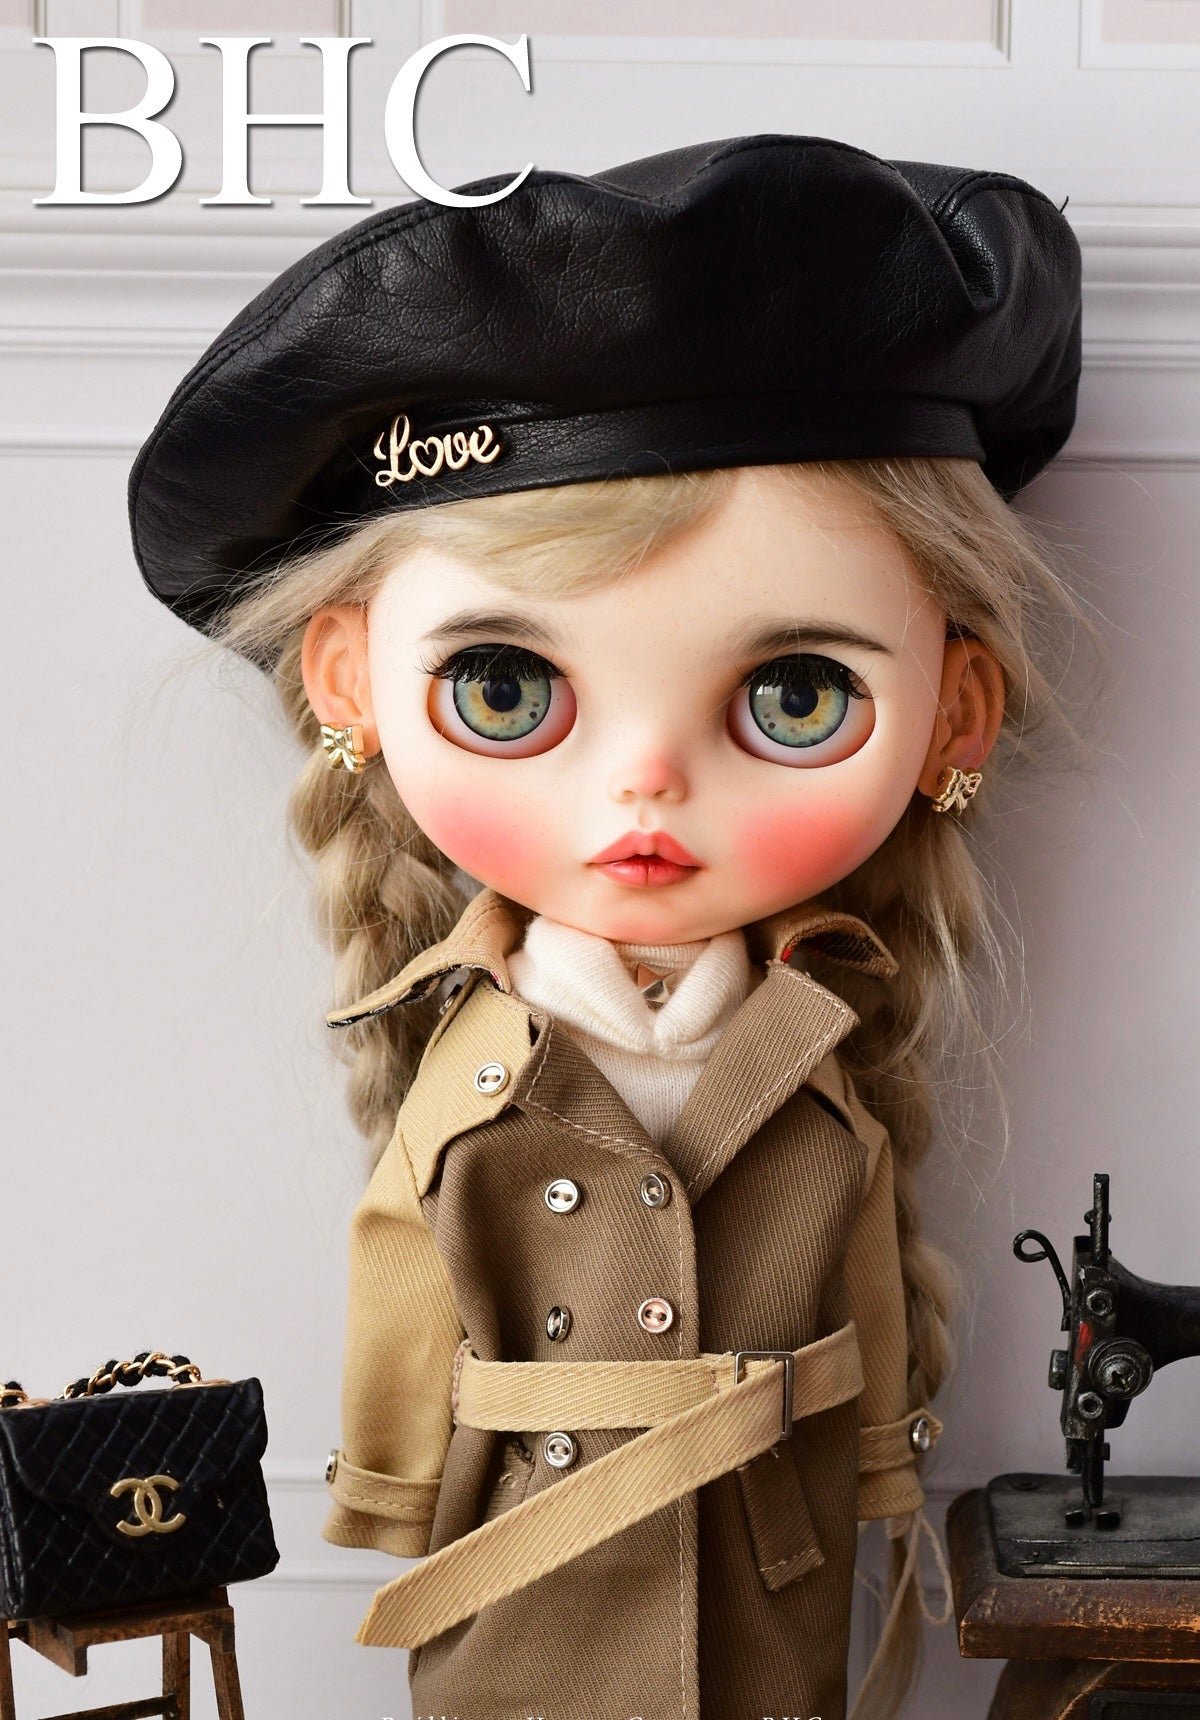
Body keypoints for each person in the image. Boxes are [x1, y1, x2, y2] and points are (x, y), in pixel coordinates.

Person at [129, 133, 1087, 1720]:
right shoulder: (474, 1070)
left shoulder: (813, 1055)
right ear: (352, 682)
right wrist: (389, 1488)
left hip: (760, 1548)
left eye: (795, 698)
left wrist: (874, 1463)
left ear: (953, 718)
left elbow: (855, 1263)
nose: (646, 786)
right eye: (507, 690)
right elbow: (405, 1278)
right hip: (533, 1558)